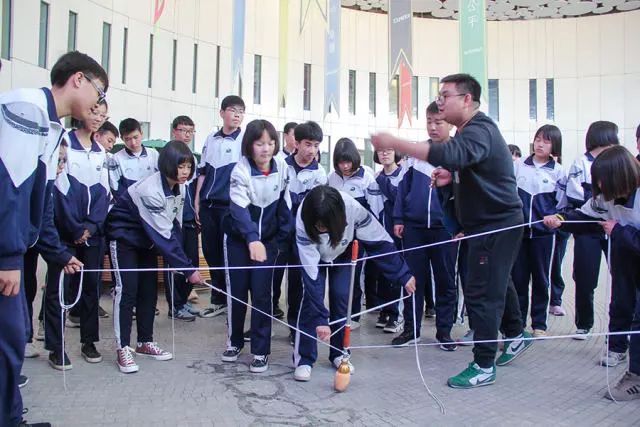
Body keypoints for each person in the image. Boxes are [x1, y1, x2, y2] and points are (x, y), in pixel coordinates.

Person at [371, 73, 532, 389]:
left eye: (446, 95)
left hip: (496, 225)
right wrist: (449, 182)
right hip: (483, 226)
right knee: (494, 284)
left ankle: (484, 364)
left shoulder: (480, 130)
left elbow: (451, 154)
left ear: (467, 99)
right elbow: (465, 169)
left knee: (481, 293)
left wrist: (395, 143)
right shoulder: (468, 132)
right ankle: (515, 334)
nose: (441, 101)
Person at [0, 50, 101, 427]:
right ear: (78, 79)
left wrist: (58, 254)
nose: (98, 103)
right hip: (5, 254)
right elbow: (10, 186)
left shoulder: (49, 123)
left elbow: (39, 200)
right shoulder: (26, 108)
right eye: (98, 91)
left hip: (14, 247)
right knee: (9, 339)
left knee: (13, 339)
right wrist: (8, 257)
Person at [544, 145, 640, 401]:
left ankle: (636, 377)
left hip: (632, 250)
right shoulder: (605, 197)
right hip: (626, 262)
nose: (599, 186)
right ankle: (620, 352)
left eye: (603, 180)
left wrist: (619, 232)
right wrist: (561, 220)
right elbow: (585, 217)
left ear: (621, 177)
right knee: (621, 306)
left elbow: (620, 230)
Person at [293, 185, 416, 382]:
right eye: (318, 226)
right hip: (314, 259)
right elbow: (311, 275)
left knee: (342, 298)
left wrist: (403, 274)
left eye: (325, 226)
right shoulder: (303, 217)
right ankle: (304, 360)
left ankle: (339, 354)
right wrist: (321, 319)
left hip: (342, 256)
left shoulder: (353, 209)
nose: (321, 229)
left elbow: (379, 241)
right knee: (310, 302)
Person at [106, 141, 202, 374]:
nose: (185, 172)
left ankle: (144, 342)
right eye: (181, 166)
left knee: (148, 291)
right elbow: (164, 234)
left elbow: (175, 227)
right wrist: (189, 270)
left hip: (148, 241)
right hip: (125, 239)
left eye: (189, 166)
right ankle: (123, 348)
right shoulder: (151, 190)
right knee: (126, 291)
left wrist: (185, 265)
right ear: (168, 165)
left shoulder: (181, 188)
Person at [220, 119, 292, 373]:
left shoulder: (282, 168)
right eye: (260, 143)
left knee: (262, 295)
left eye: (271, 143)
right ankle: (234, 341)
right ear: (249, 145)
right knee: (237, 293)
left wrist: (280, 241)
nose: (266, 149)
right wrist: (252, 239)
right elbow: (239, 210)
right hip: (240, 242)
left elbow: (286, 206)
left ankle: (261, 351)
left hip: (269, 243)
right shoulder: (239, 171)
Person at [391, 101, 458, 351]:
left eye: (438, 122)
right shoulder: (416, 154)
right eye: (429, 121)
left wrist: (460, 226)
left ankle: (444, 331)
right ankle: (411, 329)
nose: (432, 127)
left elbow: (465, 195)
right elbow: (402, 189)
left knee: (445, 280)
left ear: (450, 123)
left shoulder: (458, 155)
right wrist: (399, 219)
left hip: (446, 230)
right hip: (414, 229)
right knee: (412, 280)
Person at [53, 100, 111, 364]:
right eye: (94, 112)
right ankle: (56, 346)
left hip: (93, 235)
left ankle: (89, 342)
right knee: (59, 289)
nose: (98, 118)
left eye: (103, 115)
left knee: (91, 288)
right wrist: (75, 228)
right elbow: (59, 189)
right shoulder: (63, 143)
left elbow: (105, 194)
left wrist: (90, 228)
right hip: (66, 233)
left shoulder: (102, 152)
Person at [564, 121, 619, 341]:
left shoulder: (616, 161)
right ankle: (584, 323)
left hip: (615, 227)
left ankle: (616, 331)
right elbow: (575, 195)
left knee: (621, 276)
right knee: (585, 275)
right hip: (587, 226)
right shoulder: (581, 162)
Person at [511, 125, 566, 337]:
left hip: (544, 236)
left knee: (542, 279)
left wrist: (555, 220)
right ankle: (517, 325)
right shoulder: (519, 166)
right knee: (519, 279)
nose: (540, 144)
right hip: (520, 234)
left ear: (554, 145)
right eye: (537, 139)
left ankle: (539, 325)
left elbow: (562, 205)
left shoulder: (559, 171)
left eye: (546, 141)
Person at [195, 95, 245, 318]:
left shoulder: (244, 141)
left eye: (241, 111)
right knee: (211, 252)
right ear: (222, 112)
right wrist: (197, 200)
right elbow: (203, 172)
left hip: (229, 207)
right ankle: (218, 299)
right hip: (208, 205)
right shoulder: (211, 139)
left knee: (229, 254)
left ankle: (234, 299)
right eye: (233, 110)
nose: (237, 115)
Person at [328, 138, 382, 327]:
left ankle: (354, 315)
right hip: (336, 236)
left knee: (355, 274)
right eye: (341, 162)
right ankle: (337, 313)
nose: (344, 166)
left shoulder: (366, 177)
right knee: (337, 275)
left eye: (348, 162)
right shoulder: (332, 178)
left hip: (358, 237)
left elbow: (375, 209)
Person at [282, 121, 327, 344]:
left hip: (304, 238)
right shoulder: (281, 166)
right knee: (270, 282)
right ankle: (265, 321)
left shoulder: (320, 174)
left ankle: (295, 327)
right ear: (296, 144)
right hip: (280, 234)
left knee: (298, 283)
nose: (311, 150)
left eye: (316, 145)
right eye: (307, 144)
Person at [164, 115, 201, 321]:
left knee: (191, 261)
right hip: (172, 220)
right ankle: (175, 305)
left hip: (189, 217)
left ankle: (184, 300)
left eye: (190, 131)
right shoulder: (167, 155)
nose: (187, 135)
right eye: (183, 130)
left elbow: (192, 188)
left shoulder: (193, 158)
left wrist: (196, 209)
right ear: (174, 131)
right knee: (176, 263)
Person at [373, 147, 405, 334]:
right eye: (381, 151)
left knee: (396, 272)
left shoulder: (402, 175)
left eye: (389, 150)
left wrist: (383, 181)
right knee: (382, 272)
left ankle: (396, 315)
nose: (384, 154)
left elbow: (398, 197)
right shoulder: (376, 176)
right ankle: (385, 310)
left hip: (398, 232)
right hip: (379, 231)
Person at [109, 118, 159, 204]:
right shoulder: (116, 159)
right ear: (122, 138)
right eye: (127, 139)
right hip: (128, 207)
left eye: (136, 137)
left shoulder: (154, 154)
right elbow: (115, 187)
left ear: (141, 134)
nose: (133, 142)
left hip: (153, 205)